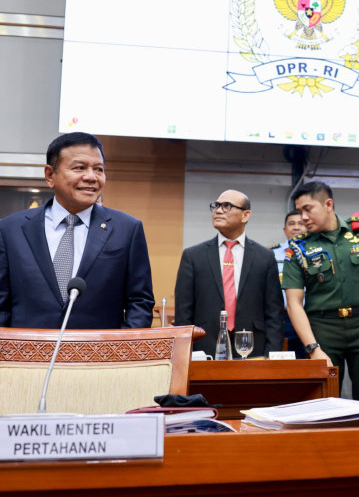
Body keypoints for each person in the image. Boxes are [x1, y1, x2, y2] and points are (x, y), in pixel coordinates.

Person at [0, 132, 154, 328]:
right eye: (79, 168)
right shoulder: (10, 230)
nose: (91, 177)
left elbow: (140, 303)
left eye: (98, 169)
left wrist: (120, 352)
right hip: (28, 354)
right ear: (50, 175)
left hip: (101, 354)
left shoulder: (127, 230)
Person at [282, 182, 359, 403]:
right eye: (299, 211)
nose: (303, 217)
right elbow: (294, 303)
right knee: (327, 401)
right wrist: (313, 348)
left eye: (308, 209)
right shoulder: (298, 248)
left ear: (328, 205)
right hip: (323, 330)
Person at [174, 190, 283, 357]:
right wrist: (185, 354)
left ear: (245, 215)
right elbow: (183, 314)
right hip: (204, 348)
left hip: (254, 349)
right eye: (216, 206)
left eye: (226, 206)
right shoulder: (193, 256)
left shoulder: (265, 257)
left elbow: (274, 313)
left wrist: (272, 355)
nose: (218, 210)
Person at [271, 210, 307, 353]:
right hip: (283, 317)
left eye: (301, 224)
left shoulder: (316, 252)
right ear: (285, 230)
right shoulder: (271, 254)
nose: (296, 227)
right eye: (291, 224)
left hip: (312, 315)